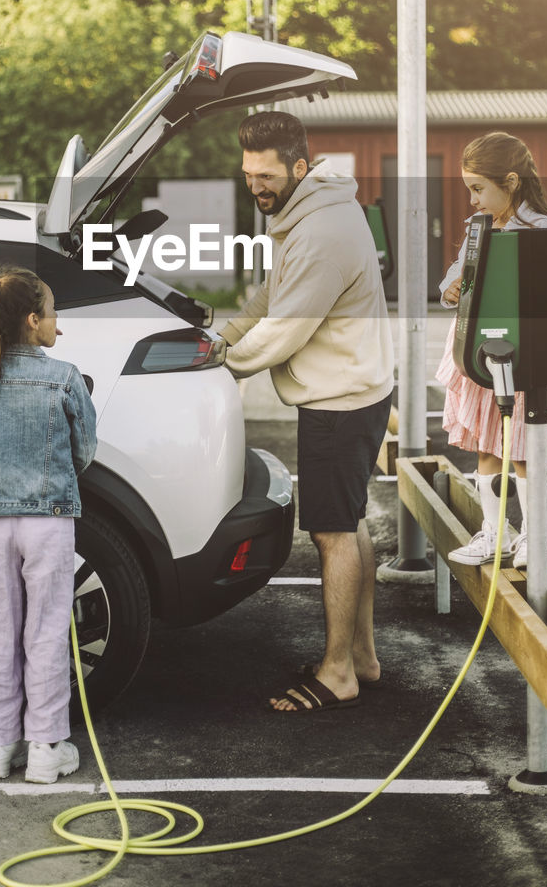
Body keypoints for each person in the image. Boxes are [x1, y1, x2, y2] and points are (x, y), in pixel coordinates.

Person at [220, 111, 394, 713]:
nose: (256, 186)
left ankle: (339, 670)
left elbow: (286, 330)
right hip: (353, 390)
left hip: (339, 403)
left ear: (299, 165)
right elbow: (272, 295)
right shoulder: (309, 211)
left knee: (332, 535)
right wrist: (225, 335)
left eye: (265, 176)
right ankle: (363, 657)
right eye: (248, 175)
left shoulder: (321, 233)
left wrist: (223, 363)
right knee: (350, 524)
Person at [0, 266, 97, 781]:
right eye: (54, 314)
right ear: (34, 321)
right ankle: (45, 748)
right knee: (47, 632)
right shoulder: (64, 377)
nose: (60, 324)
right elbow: (85, 452)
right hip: (49, 521)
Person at [437, 132, 547, 569]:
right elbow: (455, 277)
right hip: (481, 355)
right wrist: (450, 289)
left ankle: (535, 536)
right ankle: (494, 533)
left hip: (525, 357)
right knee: (488, 448)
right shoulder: (480, 229)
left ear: (510, 182)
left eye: (477, 189)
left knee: (525, 448)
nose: (472, 200)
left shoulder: (542, 231)